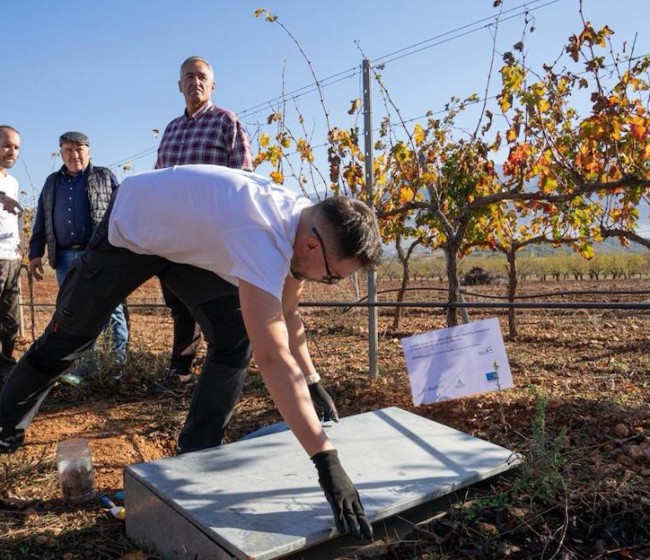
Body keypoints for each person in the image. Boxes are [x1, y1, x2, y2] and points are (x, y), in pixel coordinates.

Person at [0, 164, 380, 539]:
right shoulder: (261, 234)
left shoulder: (301, 225)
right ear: (313, 245)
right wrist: (326, 460)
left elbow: (288, 313)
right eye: (331, 277)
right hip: (134, 228)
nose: (326, 282)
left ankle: (197, 454)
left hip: (186, 246)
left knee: (234, 335)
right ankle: (4, 428)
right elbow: (273, 355)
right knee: (66, 339)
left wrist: (312, 382)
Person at [156, 56, 253, 384]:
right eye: (189, 76)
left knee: (214, 306)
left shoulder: (226, 122)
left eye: (202, 77)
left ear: (212, 85)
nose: (195, 82)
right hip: (174, 235)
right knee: (180, 304)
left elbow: (244, 178)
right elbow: (159, 180)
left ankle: (221, 374)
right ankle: (180, 371)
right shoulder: (170, 129)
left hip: (211, 234)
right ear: (179, 85)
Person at [28, 131, 128, 379]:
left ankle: (116, 366)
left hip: (100, 256)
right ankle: (86, 367)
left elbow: (123, 212)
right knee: (74, 314)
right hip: (64, 259)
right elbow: (41, 219)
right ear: (61, 153)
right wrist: (35, 254)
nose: (74, 155)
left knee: (111, 308)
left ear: (88, 151)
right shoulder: (52, 183)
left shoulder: (104, 176)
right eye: (68, 150)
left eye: (79, 149)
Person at [0, 126, 24, 368]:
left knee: (10, 320)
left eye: (16, 147)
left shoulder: (13, 181)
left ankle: (6, 368)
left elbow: (12, 217)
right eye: (7, 145)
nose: (12, 151)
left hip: (11, 259)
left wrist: (19, 246)